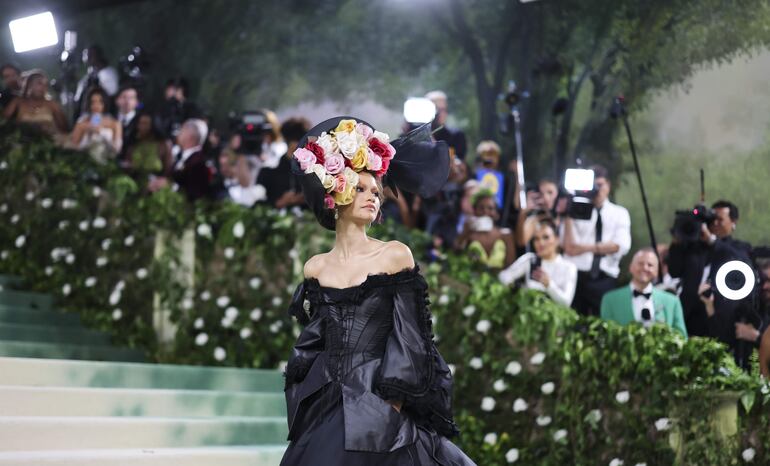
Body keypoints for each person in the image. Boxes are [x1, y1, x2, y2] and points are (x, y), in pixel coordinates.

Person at [282, 117, 474, 465]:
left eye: (376, 191)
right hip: (326, 400)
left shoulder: (394, 254)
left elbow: (413, 339)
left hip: (381, 396)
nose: (373, 196)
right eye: (360, 189)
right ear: (335, 193)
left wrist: (392, 404)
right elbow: (314, 341)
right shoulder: (316, 266)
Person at [669, 200, 753, 344]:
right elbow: (674, 271)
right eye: (712, 219)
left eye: (720, 220)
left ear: (733, 222)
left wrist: (712, 240)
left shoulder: (739, 247)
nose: (715, 223)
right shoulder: (694, 248)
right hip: (688, 316)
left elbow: (740, 262)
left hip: (719, 318)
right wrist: (677, 242)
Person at [562, 165, 631, 316]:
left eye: (600, 185)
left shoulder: (619, 213)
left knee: (603, 322)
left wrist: (583, 248)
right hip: (576, 277)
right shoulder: (575, 211)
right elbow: (569, 248)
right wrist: (568, 211)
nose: (597, 190)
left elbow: (620, 246)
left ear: (608, 185)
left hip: (604, 279)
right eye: (592, 185)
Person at [601, 248, 688, 338]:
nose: (645, 268)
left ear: (656, 271)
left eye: (650, 265)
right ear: (631, 267)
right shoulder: (610, 300)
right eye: (640, 263)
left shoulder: (672, 301)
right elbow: (606, 337)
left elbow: (681, 337)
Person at [498, 219, 578, 307]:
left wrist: (549, 285)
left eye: (546, 237)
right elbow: (503, 277)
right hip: (528, 314)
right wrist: (517, 289)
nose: (540, 243)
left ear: (557, 240)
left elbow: (566, 303)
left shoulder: (569, 267)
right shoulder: (530, 259)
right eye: (536, 239)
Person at [148, 118, 211, 202]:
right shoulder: (181, 156)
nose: (178, 134)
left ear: (189, 136)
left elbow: (195, 195)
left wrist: (171, 187)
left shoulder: (200, 164)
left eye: (181, 130)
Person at [454, 188, 515, 270]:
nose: (485, 211)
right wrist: (465, 233)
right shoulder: (470, 233)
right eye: (481, 208)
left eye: (490, 208)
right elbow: (455, 254)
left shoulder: (506, 235)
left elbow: (510, 268)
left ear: (497, 214)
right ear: (474, 212)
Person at [257, 116, 308, 208]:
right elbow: (258, 203)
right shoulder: (270, 169)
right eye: (298, 140)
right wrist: (280, 202)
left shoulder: (312, 169)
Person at [3, 70, 68, 136]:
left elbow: (63, 128)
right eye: (39, 83)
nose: (43, 87)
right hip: (23, 141)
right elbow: (4, 121)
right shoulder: (18, 102)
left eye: (45, 84)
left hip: (48, 140)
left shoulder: (51, 104)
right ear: (29, 84)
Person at [71, 87, 122, 154]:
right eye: (93, 102)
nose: (96, 106)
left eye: (100, 102)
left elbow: (117, 149)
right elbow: (73, 148)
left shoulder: (115, 124)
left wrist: (101, 133)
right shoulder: (81, 124)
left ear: (105, 103)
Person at [122, 111, 172, 178]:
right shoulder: (134, 142)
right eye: (139, 123)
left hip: (156, 182)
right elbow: (127, 162)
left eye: (145, 123)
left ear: (153, 125)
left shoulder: (163, 144)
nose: (141, 126)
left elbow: (168, 169)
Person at [73, 45, 119, 119]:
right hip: (85, 115)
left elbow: (111, 96)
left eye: (90, 55)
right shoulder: (89, 75)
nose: (87, 58)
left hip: (102, 116)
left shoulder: (108, 73)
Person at [426, 90, 467, 160]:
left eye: (443, 109)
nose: (439, 113)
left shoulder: (456, 136)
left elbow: (460, 165)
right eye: (436, 109)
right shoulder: (415, 137)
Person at [115, 85, 140, 158]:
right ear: (117, 100)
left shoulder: (141, 121)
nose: (127, 101)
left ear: (137, 102)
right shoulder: (110, 119)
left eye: (131, 98)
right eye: (124, 97)